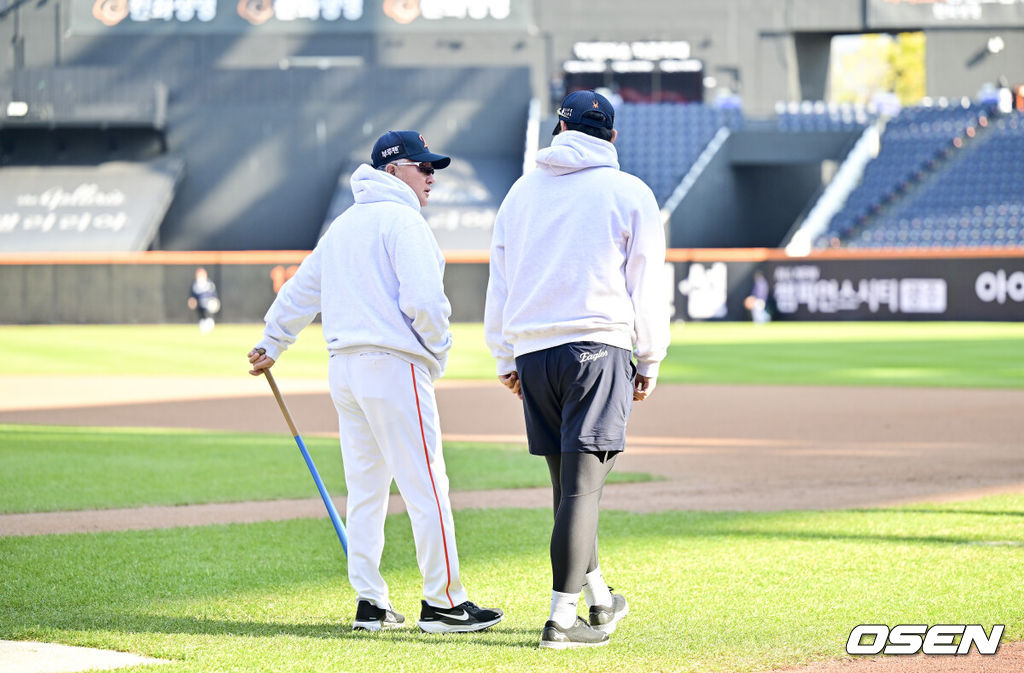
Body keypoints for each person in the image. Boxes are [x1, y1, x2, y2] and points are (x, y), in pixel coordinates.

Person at [247, 130, 502, 634]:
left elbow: (302, 290)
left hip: (344, 369)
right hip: (392, 364)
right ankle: (445, 603)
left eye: (433, 168)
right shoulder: (403, 222)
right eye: (422, 166)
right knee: (426, 483)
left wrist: (272, 341)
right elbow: (426, 303)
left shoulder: (344, 225)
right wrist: (437, 353)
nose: (432, 176)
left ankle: (371, 602)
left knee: (366, 491)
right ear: (392, 170)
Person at [484, 90, 669, 649]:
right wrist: (650, 356)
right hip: (598, 347)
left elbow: (501, 279)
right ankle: (560, 624)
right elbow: (647, 284)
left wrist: (504, 354)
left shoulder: (520, 193)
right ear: (610, 136)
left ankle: (599, 602)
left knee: (568, 490)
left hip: (536, 354)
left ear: (560, 130)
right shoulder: (628, 191)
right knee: (583, 491)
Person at [187, 267, 220, 333]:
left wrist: (214, 300)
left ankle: (210, 324)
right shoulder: (195, 284)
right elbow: (192, 296)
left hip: (208, 303)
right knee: (202, 319)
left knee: (209, 314)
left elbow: (214, 294)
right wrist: (192, 301)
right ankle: (203, 325)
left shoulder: (209, 283)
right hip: (200, 304)